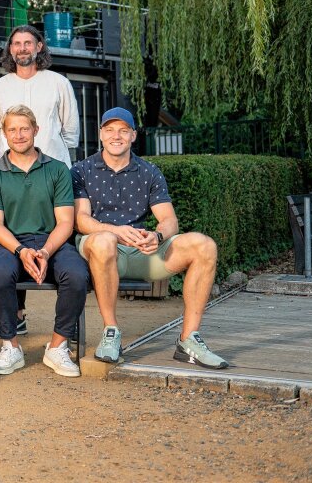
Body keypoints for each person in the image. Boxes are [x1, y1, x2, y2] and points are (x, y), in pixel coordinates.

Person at [74, 108, 227, 368]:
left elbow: (169, 220)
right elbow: (82, 220)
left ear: (133, 135)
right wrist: (113, 230)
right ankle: (111, 332)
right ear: (100, 134)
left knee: (204, 245)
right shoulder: (81, 170)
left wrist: (157, 235)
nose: (116, 136)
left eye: (123, 130)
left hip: (140, 252)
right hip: (101, 250)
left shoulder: (149, 172)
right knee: (103, 240)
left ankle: (188, 338)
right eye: (109, 130)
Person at [0, 24, 80, 337]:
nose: (23, 48)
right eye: (17, 44)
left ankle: (68, 325)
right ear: (10, 50)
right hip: (13, 174)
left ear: (39, 47)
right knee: (14, 234)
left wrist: (49, 158)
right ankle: (18, 316)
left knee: (60, 241)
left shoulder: (59, 83)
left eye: (29, 42)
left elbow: (70, 133)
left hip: (53, 175)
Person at [0, 105, 88, 379]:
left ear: (36, 131)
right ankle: (11, 346)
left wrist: (43, 251)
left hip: (51, 241)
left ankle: (57, 346)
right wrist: (21, 250)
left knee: (77, 274)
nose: (19, 135)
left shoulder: (57, 169)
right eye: (12, 130)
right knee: (0, 272)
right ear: (4, 134)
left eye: (24, 129)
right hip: (10, 242)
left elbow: (66, 222)